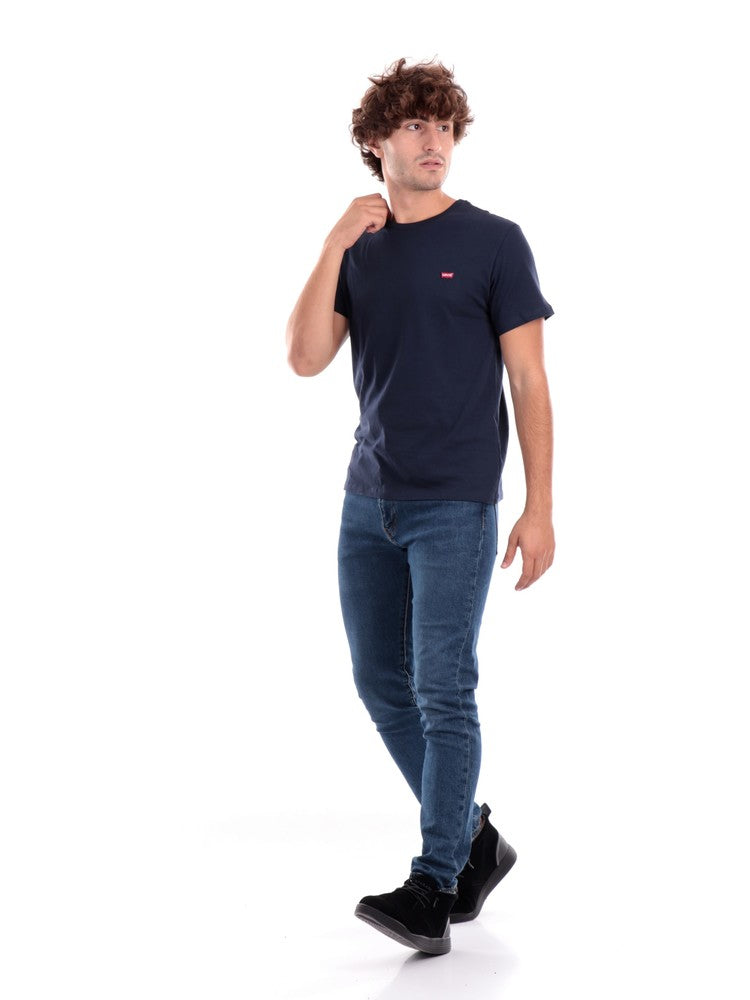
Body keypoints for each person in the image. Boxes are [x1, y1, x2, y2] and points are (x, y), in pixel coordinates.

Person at [285, 57, 555, 956]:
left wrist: (539, 506)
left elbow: (529, 380)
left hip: (455, 505)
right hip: (368, 502)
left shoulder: (494, 241)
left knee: (444, 687)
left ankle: (436, 885)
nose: (434, 140)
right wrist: (332, 244)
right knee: (379, 682)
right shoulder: (359, 248)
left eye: (444, 125)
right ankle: (473, 836)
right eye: (414, 125)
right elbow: (305, 357)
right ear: (376, 142)